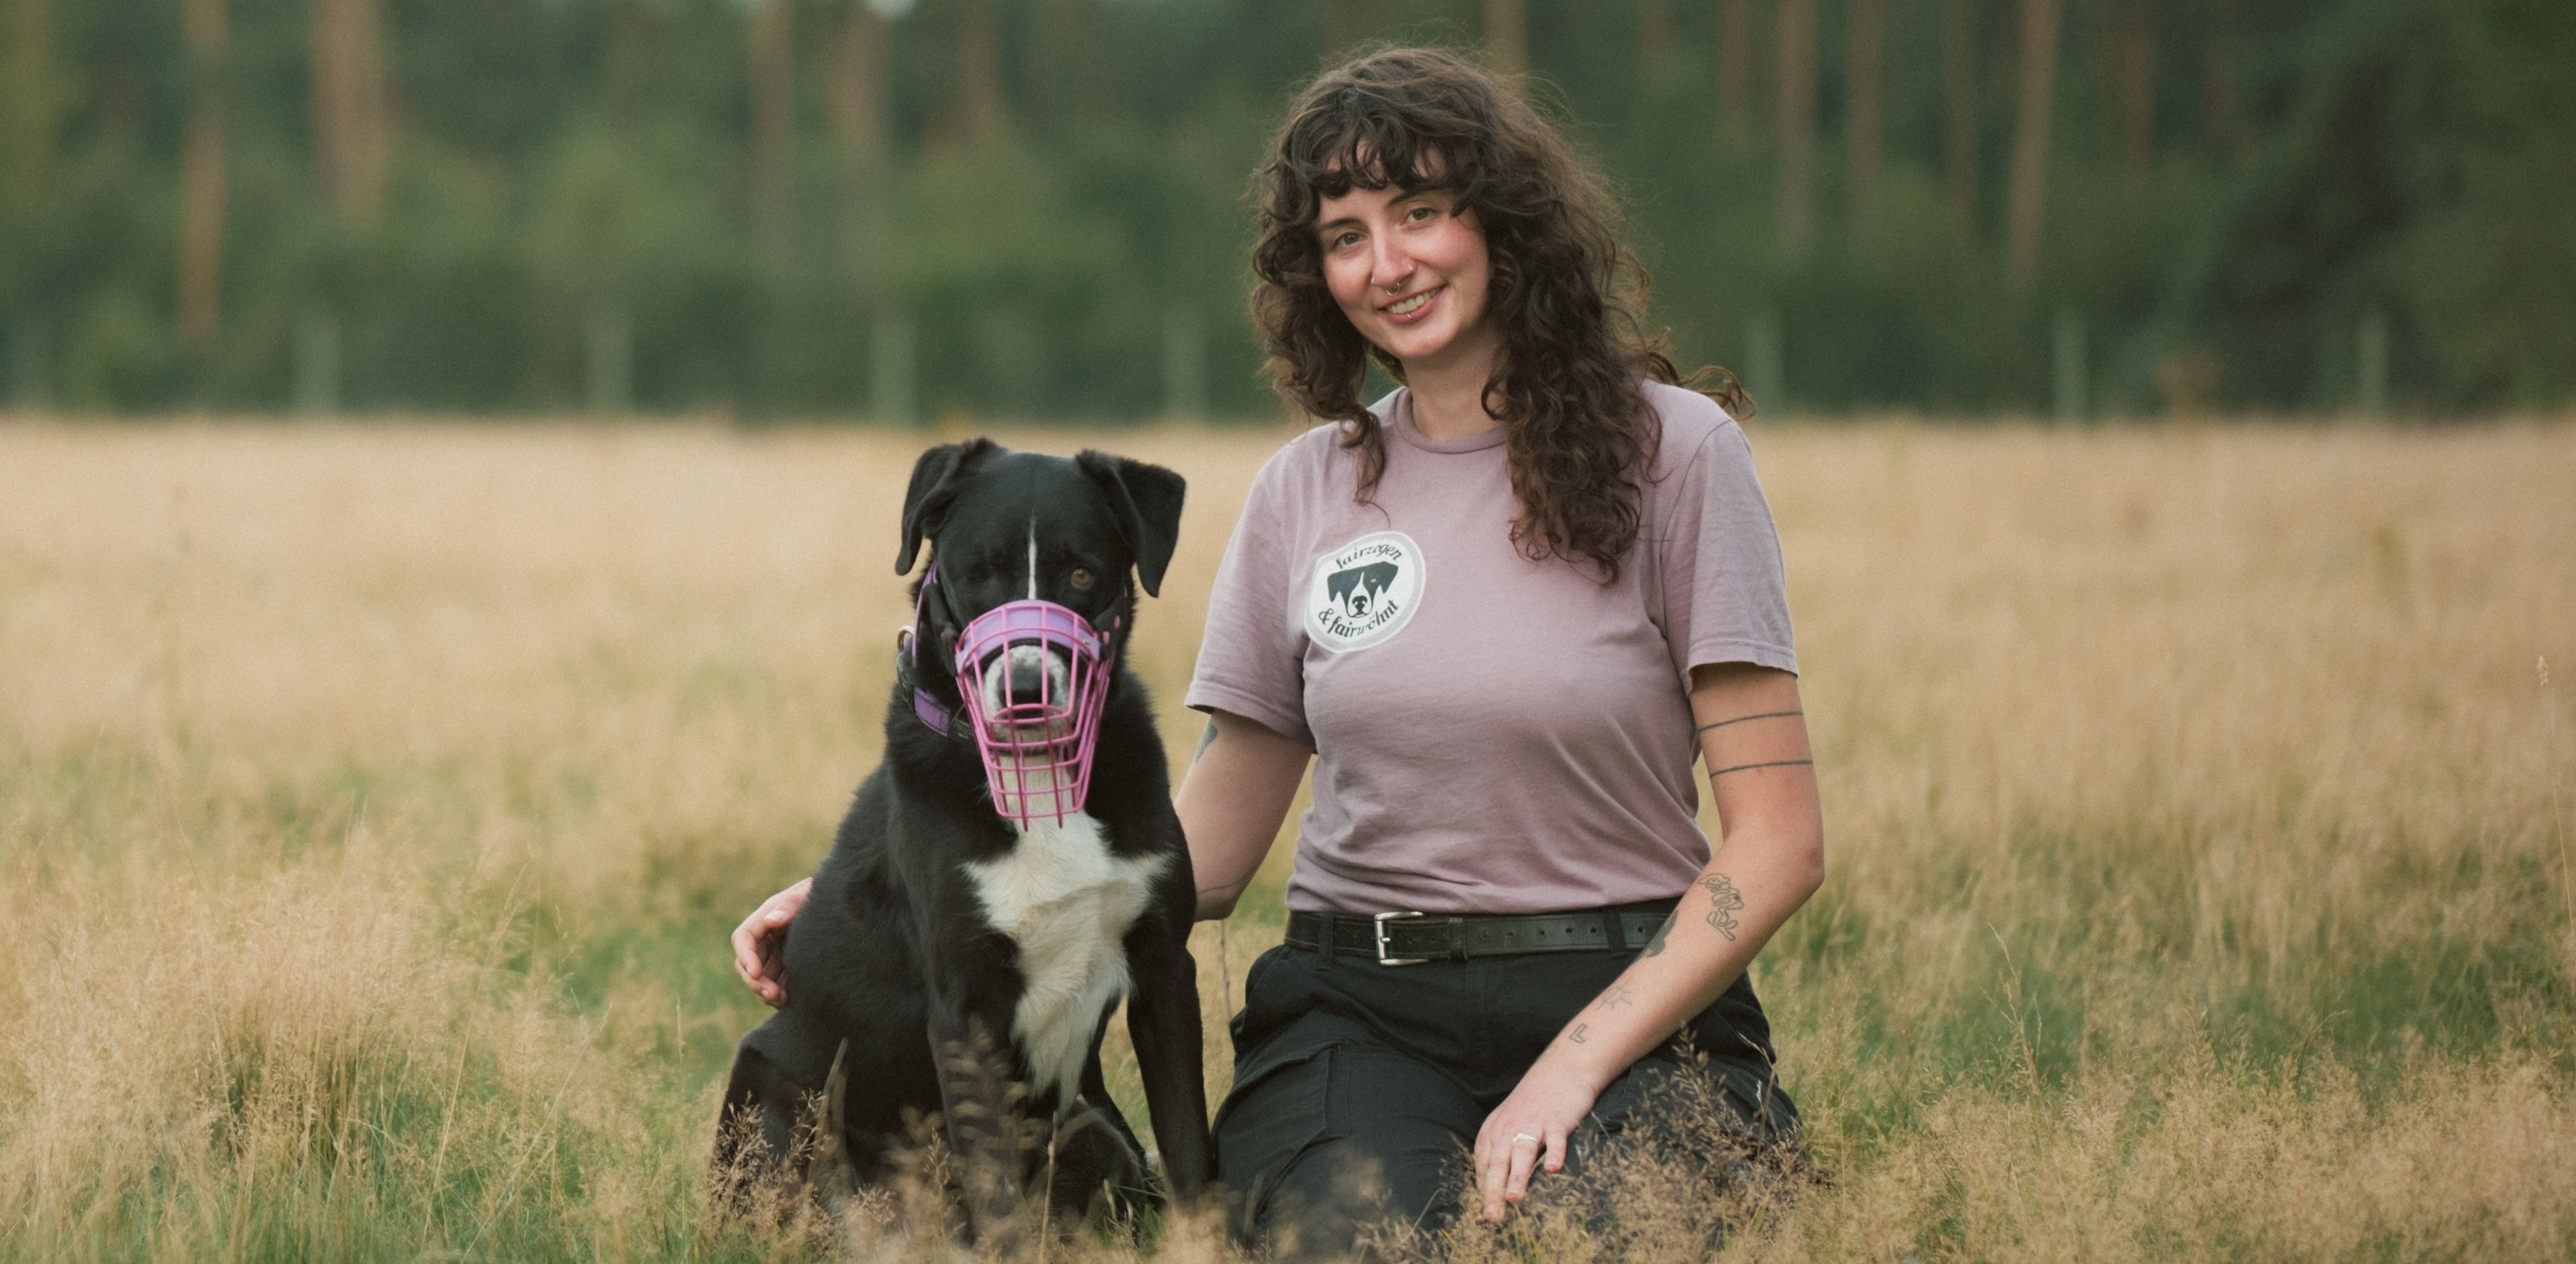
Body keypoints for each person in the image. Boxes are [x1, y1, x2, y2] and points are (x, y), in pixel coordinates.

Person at [733, 47, 1822, 1257]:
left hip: (1625, 1003)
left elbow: (1778, 841)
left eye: (1420, 212)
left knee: (1591, 1241)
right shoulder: (1303, 492)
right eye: (1345, 234)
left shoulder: (1680, 455)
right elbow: (1193, 850)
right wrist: (891, 890)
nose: (1387, 263)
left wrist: (1570, 1068)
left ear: (1506, 220)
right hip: (1360, 1015)